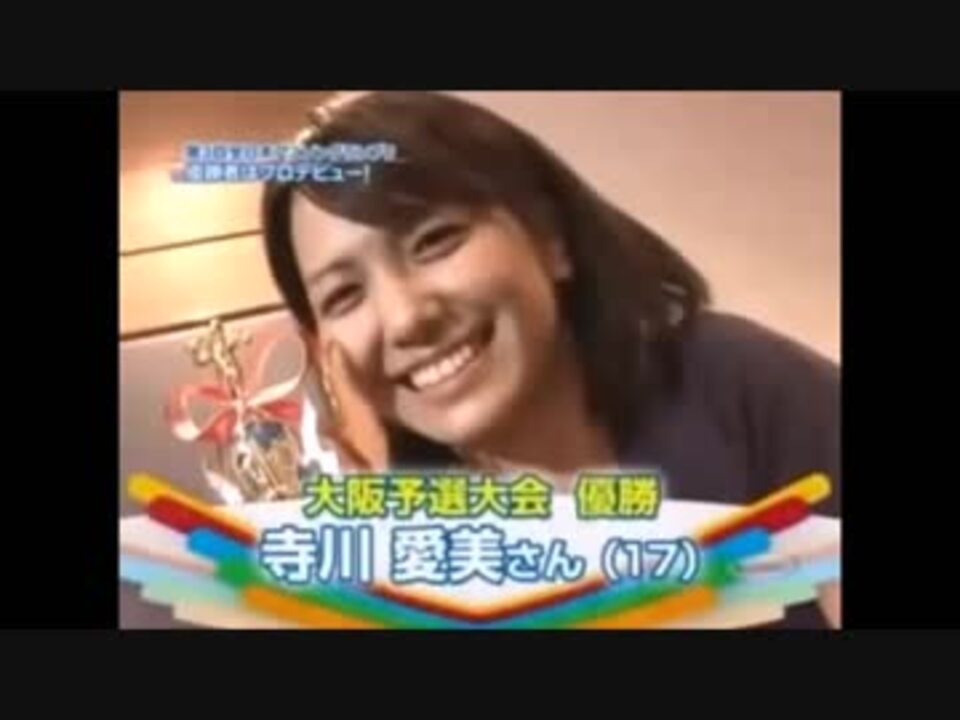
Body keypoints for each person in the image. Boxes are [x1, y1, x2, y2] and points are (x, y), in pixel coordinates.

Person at [260, 91, 841, 628]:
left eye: (434, 240)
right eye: (344, 295)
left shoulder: (736, 389)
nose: (406, 317)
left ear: (549, 237)